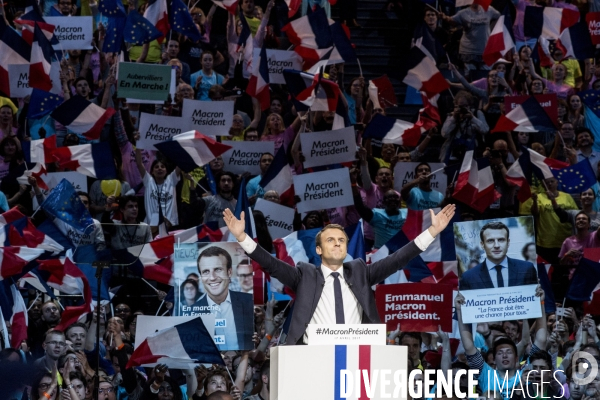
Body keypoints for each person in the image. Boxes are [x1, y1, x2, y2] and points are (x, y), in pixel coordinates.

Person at [222, 203, 456, 345]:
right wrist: (242, 238)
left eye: (342, 240)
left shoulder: (361, 271)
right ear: (318, 249)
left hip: (359, 352)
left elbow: (398, 259)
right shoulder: (304, 275)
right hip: (314, 353)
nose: (337, 243)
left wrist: (432, 232)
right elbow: (270, 263)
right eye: (330, 240)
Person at [191, 246, 254, 350]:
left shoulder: (250, 302)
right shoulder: (191, 314)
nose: (212, 277)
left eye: (218, 269)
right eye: (206, 271)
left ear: (229, 272)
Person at [459, 221, 538, 290]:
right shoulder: (469, 277)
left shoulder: (527, 269)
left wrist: (540, 301)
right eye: (490, 241)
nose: (496, 245)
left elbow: (535, 302)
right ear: (482, 244)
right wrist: (459, 307)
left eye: (501, 240)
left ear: (508, 242)